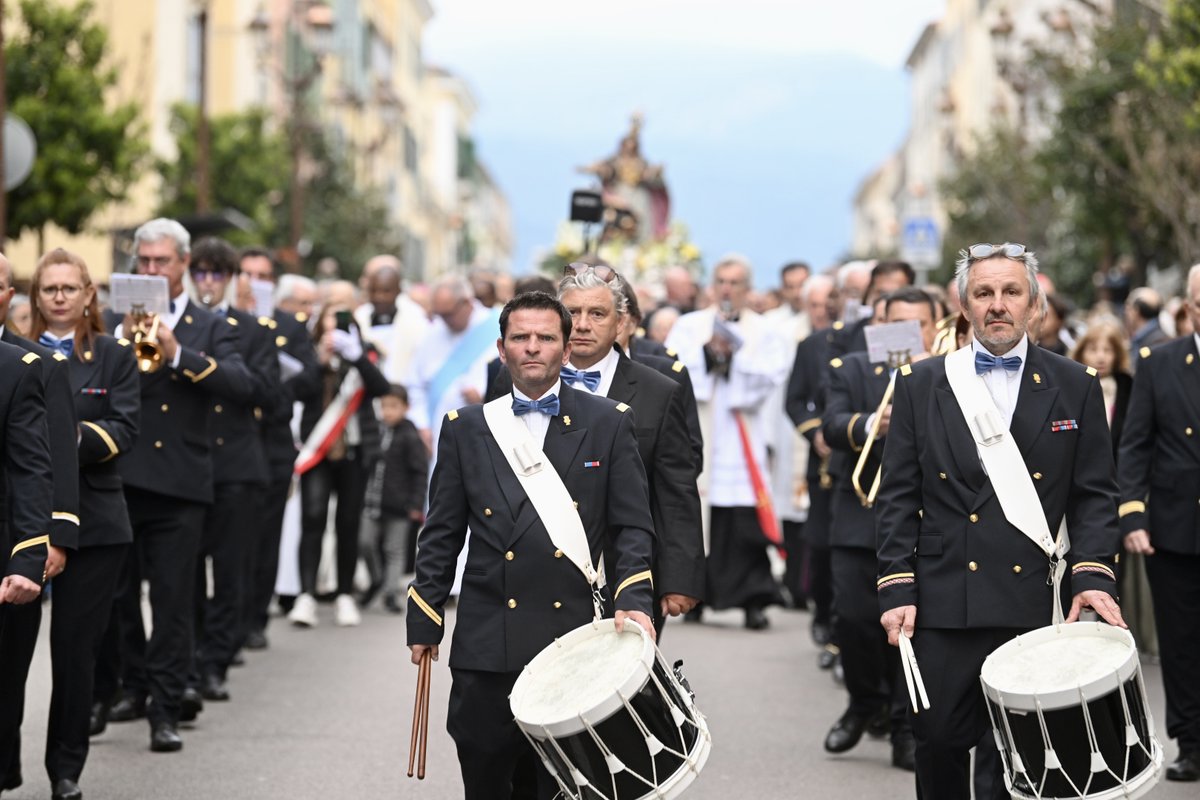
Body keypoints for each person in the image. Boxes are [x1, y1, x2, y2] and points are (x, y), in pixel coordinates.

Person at [876, 242, 1125, 798]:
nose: (997, 305)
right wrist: (895, 584)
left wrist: (1091, 573)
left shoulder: (1075, 382)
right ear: (963, 306)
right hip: (943, 598)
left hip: (1033, 597)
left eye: (1011, 292)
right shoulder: (921, 383)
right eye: (983, 293)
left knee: (1015, 751)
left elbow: (1094, 494)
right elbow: (896, 495)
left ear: (1034, 304)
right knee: (937, 740)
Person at [407, 291, 655, 799]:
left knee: (560, 786)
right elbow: (442, 533)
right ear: (502, 349)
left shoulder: (609, 422)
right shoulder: (466, 428)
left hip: (569, 639)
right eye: (521, 337)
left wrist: (633, 600)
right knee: (486, 777)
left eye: (546, 338)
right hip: (485, 637)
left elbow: (632, 526)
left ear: (566, 351)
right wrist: (425, 615)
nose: (533, 348)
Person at [102, 217, 252, 753]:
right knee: (120, 598)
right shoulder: (111, 321)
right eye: (142, 262)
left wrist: (179, 354)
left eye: (161, 262)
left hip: (181, 483)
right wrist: (116, 343)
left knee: (172, 602)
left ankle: (166, 707)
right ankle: (132, 684)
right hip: (121, 476)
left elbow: (242, 385)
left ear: (183, 264)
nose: (150, 270)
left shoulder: (209, 325)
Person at [487, 267, 704, 638]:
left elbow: (676, 490)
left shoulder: (658, 391)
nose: (583, 324)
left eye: (597, 314)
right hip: (526, 569)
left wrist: (680, 576)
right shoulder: (512, 379)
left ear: (621, 323)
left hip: (624, 574)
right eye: (573, 313)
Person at [28, 248, 139, 800]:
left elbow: (125, 427)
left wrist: (68, 436)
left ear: (89, 294)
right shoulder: (15, 353)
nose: (60, 298)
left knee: (75, 652)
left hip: (96, 522)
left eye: (70, 288)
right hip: (23, 516)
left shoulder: (114, 354)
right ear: (36, 295)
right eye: (50, 289)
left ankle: (64, 769)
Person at [822, 287, 936, 772]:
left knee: (911, 629)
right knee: (853, 618)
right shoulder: (851, 368)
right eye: (897, 324)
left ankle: (904, 726)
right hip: (859, 513)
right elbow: (830, 425)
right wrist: (874, 423)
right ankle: (863, 701)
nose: (908, 334)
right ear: (880, 327)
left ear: (935, 327)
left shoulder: (949, 370)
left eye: (918, 325)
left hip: (925, 518)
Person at [666, 255, 792, 630]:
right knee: (697, 517)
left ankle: (752, 599)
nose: (726, 288)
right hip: (700, 427)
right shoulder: (689, 326)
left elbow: (772, 373)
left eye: (735, 282)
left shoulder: (765, 329)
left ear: (747, 288)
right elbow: (673, 366)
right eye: (721, 280)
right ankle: (695, 597)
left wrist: (734, 360)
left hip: (741, 433)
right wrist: (707, 355)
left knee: (742, 521)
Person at [1117, 263, 1200, 782]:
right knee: (1182, 641)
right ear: (1191, 306)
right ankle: (1191, 741)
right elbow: (1135, 445)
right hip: (1176, 526)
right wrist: (1133, 513)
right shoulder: (1158, 362)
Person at [0, 253, 80, 796]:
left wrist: (31, 554)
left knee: (3, 690)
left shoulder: (20, 368)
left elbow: (36, 468)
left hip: (4, 553)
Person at [187, 238, 279, 699]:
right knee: (184, 570)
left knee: (230, 571)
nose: (207, 281)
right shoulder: (177, 327)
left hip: (237, 465)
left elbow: (265, 392)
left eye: (216, 273)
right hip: (188, 461)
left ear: (229, 280)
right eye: (200, 272)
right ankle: (189, 656)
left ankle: (214, 662)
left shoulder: (253, 330)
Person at [236, 251, 321, 650]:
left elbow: (309, 379)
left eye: (263, 275)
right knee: (230, 538)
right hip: (230, 438)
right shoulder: (219, 320)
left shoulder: (288, 325)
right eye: (248, 274)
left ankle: (253, 618)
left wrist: (273, 379)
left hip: (271, 438)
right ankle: (224, 618)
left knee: (265, 536)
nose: (255, 282)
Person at [290, 302, 390, 628]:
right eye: (328, 322)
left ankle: (344, 594)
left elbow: (381, 388)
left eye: (341, 322)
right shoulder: (308, 351)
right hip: (318, 450)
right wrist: (319, 363)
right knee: (313, 517)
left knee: (348, 522)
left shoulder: (364, 352)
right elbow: (297, 391)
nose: (334, 329)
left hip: (355, 451)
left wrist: (357, 355)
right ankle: (306, 595)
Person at [404, 275, 499, 456]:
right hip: (437, 434)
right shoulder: (432, 333)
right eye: (439, 314)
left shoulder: (499, 326)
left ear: (466, 303)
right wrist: (422, 425)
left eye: (449, 314)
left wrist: (485, 396)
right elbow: (415, 385)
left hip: (483, 434)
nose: (445, 321)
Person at [359, 384, 427, 612]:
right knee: (365, 543)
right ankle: (376, 578)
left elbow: (419, 472)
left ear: (405, 408)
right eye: (384, 406)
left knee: (394, 549)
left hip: (399, 507)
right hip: (371, 503)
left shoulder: (410, 436)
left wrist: (416, 505)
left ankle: (390, 593)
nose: (388, 412)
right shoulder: (374, 432)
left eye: (394, 407)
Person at [1124, 287, 1169, 356]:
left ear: (1136, 311)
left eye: (1129, 308)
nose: (1126, 313)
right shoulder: (1161, 338)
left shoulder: (1157, 342)